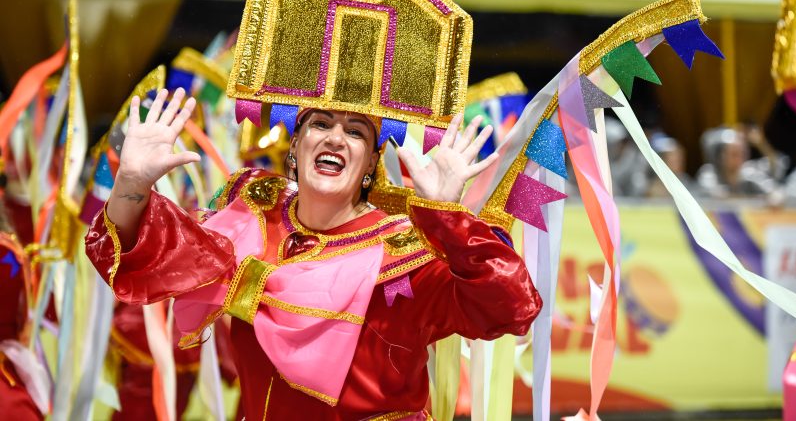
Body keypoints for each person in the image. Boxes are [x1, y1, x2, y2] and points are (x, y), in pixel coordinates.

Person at [85, 87, 541, 419]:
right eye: (320, 124)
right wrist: (132, 183)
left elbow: (512, 304)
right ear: (297, 146)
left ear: (369, 167)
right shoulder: (249, 224)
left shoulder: (403, 252)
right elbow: (129, 253)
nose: (335, 138)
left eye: (356, 132)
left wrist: (445, 215)